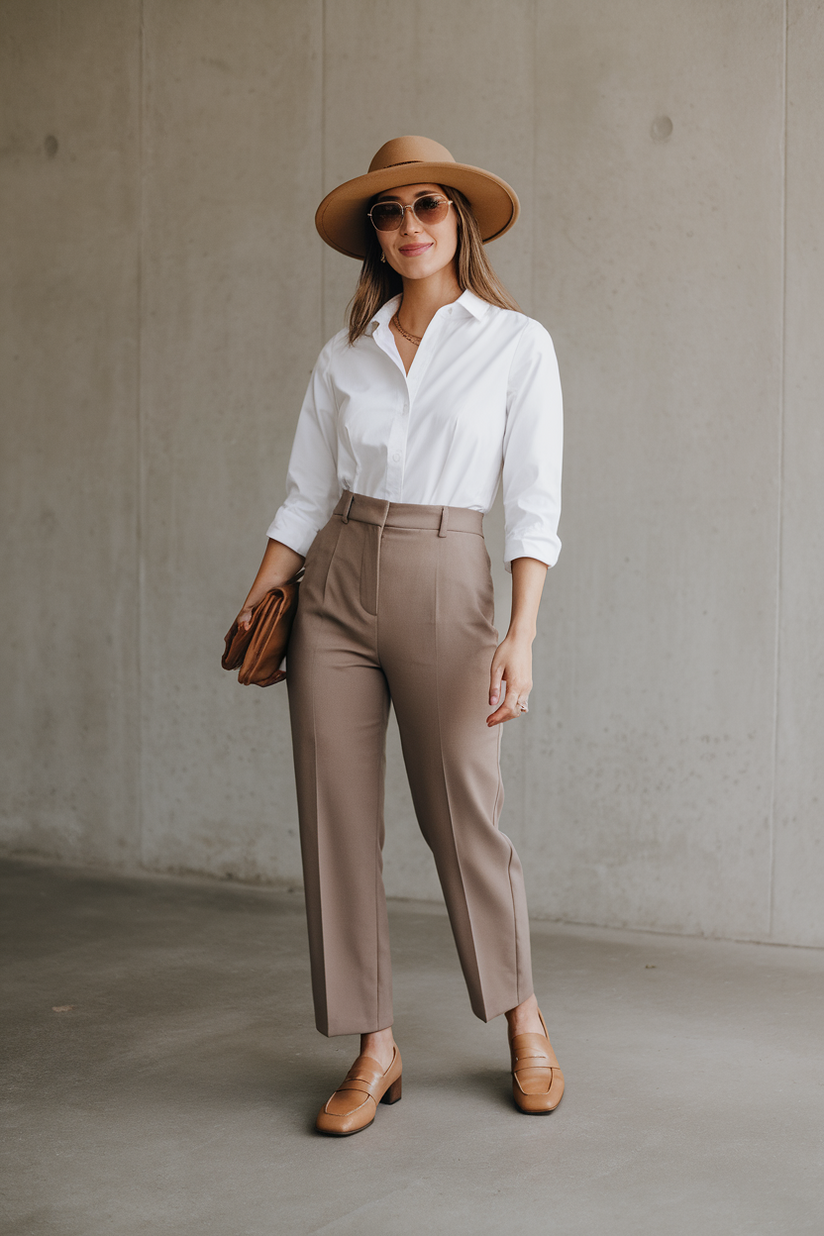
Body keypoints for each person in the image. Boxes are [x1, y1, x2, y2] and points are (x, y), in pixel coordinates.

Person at [236, 136, 564, 1135]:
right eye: (389, 212)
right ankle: (372, 1046)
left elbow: (533, 503)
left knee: (463, 811)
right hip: (334, 581)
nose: (410, 226)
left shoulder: (515, 344)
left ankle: (521, 1019)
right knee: (335, 819)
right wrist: (258, 601)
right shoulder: (344, 356)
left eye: (428, 206)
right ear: (371, 236)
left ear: (458, 219)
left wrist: (521, 633)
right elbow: (303, 496)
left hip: (446, 573)